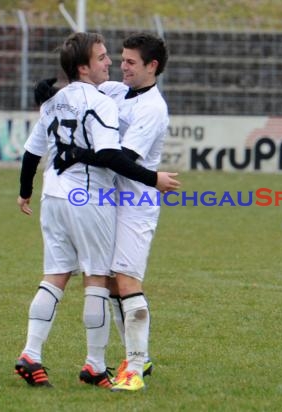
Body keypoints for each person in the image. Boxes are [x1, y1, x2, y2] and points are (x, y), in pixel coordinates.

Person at [14, 31, 180, 389]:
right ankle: (118, 361)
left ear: (152, 66)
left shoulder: (153, 109)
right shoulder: (117, 91)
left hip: (133, 202)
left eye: (129, 62)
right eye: (115, 59)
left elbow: (120, 158)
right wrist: (51, 95)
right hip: (99, 199)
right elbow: (78, 95)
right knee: (103, 281)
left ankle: (135, 366)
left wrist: (150, 178)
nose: (120, 66)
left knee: (123, 280)